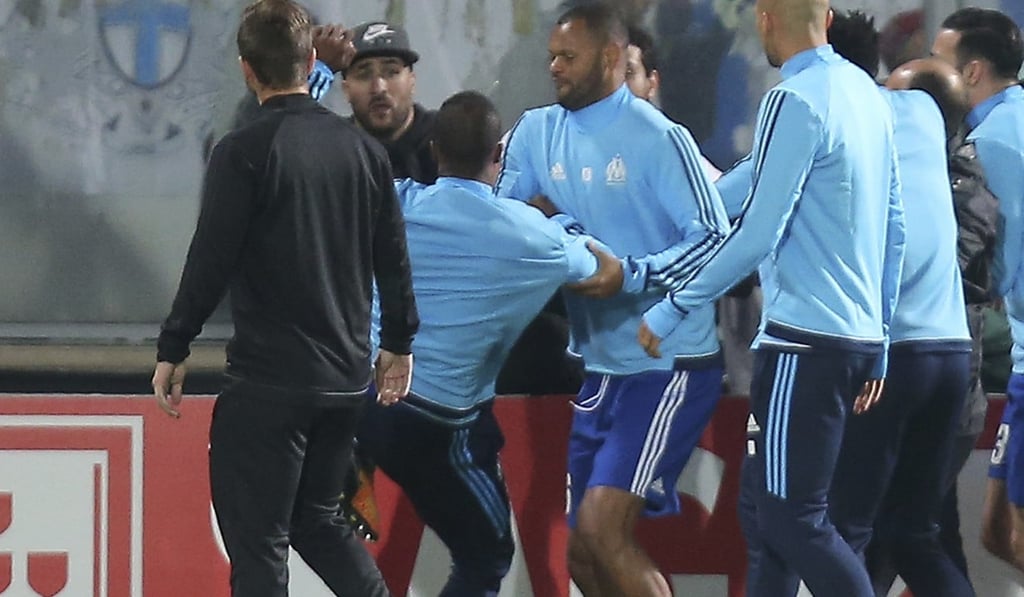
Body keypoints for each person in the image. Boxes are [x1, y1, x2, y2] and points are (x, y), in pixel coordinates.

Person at [636, 0, 904, 594]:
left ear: (763, 18)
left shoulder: (792, 99)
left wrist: (676, 300)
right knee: (766, 516)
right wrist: (880, 338)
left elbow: (759, 229)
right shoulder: (864, 94)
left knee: (791, 519)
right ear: (827, 18)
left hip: (802, 346)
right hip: (852, 340)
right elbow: (894, 224)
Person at [150, 1, 418, 595]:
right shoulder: (364, 153)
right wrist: (398, 343)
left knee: (260, 548)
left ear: (248, 70)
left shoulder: (242, 152)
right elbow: (392, 260)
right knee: (318, 522)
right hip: (345, 384)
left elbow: (210, 260)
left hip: (269, 387)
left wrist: (174, 344)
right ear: (311, 61)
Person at [497, 5, 730, 595]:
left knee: (604, 534)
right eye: (550, 54)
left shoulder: (660, 139)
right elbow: (507, 225)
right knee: (582, 555)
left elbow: (712, 241)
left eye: (567, 57)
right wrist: (565, 233)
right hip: (600, 366)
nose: (553, 67)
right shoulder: (535, 131)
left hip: (667, 363)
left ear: (608, 58)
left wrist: (629, 275)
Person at [359, 90, 619, 597]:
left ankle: (348, 463)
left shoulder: (392, 201)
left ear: (434, 150)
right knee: (487, 556)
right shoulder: (532, 238)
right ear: (498, 155)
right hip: (435, 424)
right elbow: (605, 269)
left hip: (368, 400)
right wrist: (561, 223)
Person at [827, 11, 975, 596]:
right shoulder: (922, 114)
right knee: (914, 533)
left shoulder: (844, 117)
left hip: (891, 354)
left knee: (846, 530)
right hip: (950, 352)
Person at [931, 6, 1024, 573]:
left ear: (970, 73)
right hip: (1019, 357)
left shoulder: (988, 144)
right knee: (996, 532)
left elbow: (993, 263)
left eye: (938, 65)